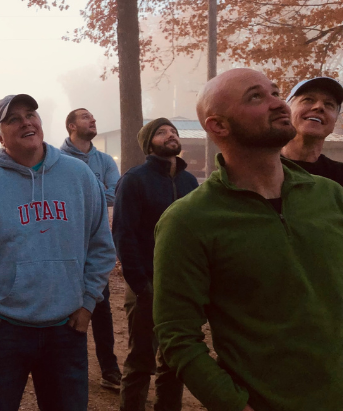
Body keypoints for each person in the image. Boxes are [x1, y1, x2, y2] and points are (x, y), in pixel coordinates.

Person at [153, 68, 343, 411]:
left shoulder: (331, 197)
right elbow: (178, 338)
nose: (278, 103)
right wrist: (234, 405)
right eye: (256, 97)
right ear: (218, 126)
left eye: (275, 92)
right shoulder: (188, 221)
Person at [0, 94, 116, 411]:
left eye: (30, 114)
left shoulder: (79, 176)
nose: (26, 122)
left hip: (65, 330)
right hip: (2, 332)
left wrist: (88, 303)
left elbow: (101, 245)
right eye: (13, 119)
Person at [113, 118, 199, 411]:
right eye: (162, 132)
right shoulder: (134, 179)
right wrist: (140, 285)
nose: (170, 135)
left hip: (182, 286)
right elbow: (124, 233)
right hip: (146, 284)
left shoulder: (190, 182)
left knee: (175, 359)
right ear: (150, 144)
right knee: (140, 361)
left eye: (173, 131)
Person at [61, 108, 122, 391]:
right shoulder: (55, 159)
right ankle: (67, 369)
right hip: (63, 246)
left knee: (100, 307)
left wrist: (81, 185)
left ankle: (109, 369)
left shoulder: (105, 160)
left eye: (94, 117)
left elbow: (113, 194)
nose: (93, 120)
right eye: (86, 117)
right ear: (71, 126)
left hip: (94, 245)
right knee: (64, 308)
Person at [281, 76, 343, 184]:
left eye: (329, 104)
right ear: (286, 112)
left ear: (334, 122)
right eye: (308, 99)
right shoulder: (256, 169)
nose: (319, 106)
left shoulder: (339, 176)